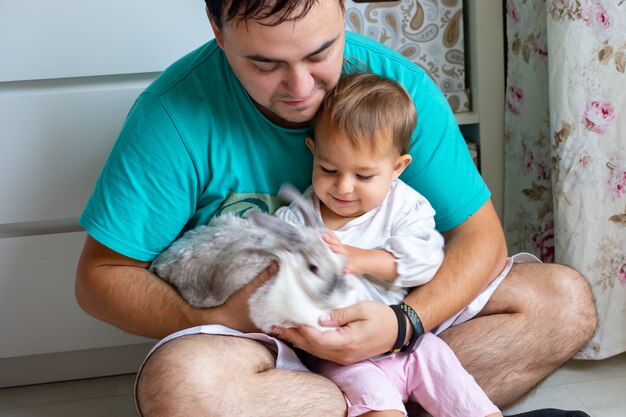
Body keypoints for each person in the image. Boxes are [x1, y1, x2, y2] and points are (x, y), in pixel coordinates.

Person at [74, 1, 597, 416]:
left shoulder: (396, 90)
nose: (301, 89)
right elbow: (100, 278)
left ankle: (381, 397)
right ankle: (403, 400)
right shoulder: (171, 116)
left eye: (320, 53)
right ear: (217, 26)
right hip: (263, 344)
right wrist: (215, 316)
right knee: (182, 390)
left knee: (563, 301)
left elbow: (480, 239)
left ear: (343, 8)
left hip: (393, 321)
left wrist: (402, 324)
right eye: (265, 63)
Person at [274, 71, 502, 417]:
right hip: (343, 357)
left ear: (397, 167)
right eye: (328, 169)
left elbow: (426, 261)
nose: (344, 187)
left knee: (463, 396)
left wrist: (362, 260)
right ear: (313, 151)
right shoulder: (299, 219)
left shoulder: (405, 207)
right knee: (378, 406)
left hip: (409, 345)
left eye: (364, 176)